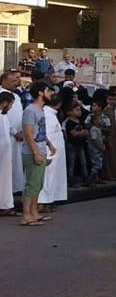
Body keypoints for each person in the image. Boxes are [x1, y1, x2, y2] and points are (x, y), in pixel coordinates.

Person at [21, 82, 55, 226]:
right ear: (41, 93)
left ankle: (34, 212)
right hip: (32, 152)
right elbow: (28, 133)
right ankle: (26, 215)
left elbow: (39, 131)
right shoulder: (30, 110)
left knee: (38, 184)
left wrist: (49, 143)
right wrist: (35, 152)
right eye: (48, 90)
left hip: (40, 150)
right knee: (32, 184)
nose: (50, 93)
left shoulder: (40, 110)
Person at [38, 95, 67, 210]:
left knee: (51, 178)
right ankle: (44, 203)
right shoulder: (48, 115)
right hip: (50, 153)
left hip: (54, 153)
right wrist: (47, 154)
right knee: (47, 178)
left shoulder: (50, 114)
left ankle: (48, 201)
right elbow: (46, 136)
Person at [0, 71, 25, 198]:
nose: (16, 83)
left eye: (16, 81)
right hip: (6, 136)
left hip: (19, 137)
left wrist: (21, 131)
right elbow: (4, 117)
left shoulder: (17, 96)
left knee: (16, 164)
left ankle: (16, 188)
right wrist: (14, 132)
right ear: (4, 81)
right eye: (13, 81)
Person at [64, 102, 91, 187]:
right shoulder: (69, 122)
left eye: (80, 110)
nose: (80, 112)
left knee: (84, 162)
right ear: (70, 112)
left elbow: (86, 131)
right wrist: (82, 133)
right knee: (71, 163)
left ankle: (86, 178)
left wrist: (83, 133)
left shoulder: (80, 121)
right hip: (72, 145)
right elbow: (73, 134)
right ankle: (70, 180)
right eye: (77, 110)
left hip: (80, 144)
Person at [0, 91, 15, 215]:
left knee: (5, 181)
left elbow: (9, 128)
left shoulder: (3, 115)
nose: (11, 107)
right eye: (10, 104)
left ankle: (5, 205)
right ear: (5, 103)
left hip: (5, 155)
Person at [86, 100, 107, 184]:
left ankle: (96, 179)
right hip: (95, 148)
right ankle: (91, 178)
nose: (100, 121)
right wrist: (100, 147)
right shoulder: (94, 129)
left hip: (98, 148)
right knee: (97, 164)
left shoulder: (98, 129)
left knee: (98, 162)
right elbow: (93, 140)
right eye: (98, 120)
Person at [102, 91, 116, 180]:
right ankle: (109, 174)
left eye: (114, 99)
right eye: (110, 99)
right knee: (109, 155)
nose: (112, 101)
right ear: (106, 100)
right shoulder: (105, 111)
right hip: (109, 134)